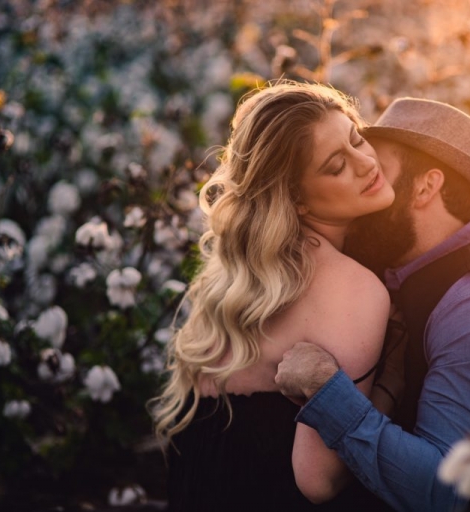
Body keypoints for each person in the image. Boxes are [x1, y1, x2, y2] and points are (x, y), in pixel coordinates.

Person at [275, 98, 470, 512]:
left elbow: (444, 490)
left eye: (379, 172)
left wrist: (326, 392)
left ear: (426, 187)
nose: (365, 177)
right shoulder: (438, 251)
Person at [150, 81, 399, 511]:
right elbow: (318, 480)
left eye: (358, 138)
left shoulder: (243, 272)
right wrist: (395, 384)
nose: (365, 163)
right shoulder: (351, 289)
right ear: (297, 200)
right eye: (337, 165)